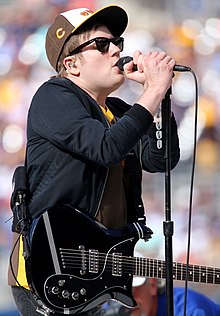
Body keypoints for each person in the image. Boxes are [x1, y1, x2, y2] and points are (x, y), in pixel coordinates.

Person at [8, 4, 180, 316]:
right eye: (102, 44)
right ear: (71, 64)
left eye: (118, 42)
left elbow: (160, 160)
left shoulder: (118, 110)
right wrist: (152, 92)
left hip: (97, 267)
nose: (116, 49)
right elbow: (106, 148)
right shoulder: (54, 97)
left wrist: (160, 101)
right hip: (52, 269)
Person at [115, 277, 220, 316]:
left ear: (153, 285)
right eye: (119, 293)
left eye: (131, 291)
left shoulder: (189, 310)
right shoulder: (113, 308)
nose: (125, 301)